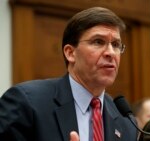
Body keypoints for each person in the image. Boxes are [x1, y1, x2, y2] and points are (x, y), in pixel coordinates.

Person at [0, 7, 137, 141]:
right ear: (70, 53)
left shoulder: (126, 122)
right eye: (98, 42)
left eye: (116, 44)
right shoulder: (27, 103)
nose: (111, 53)